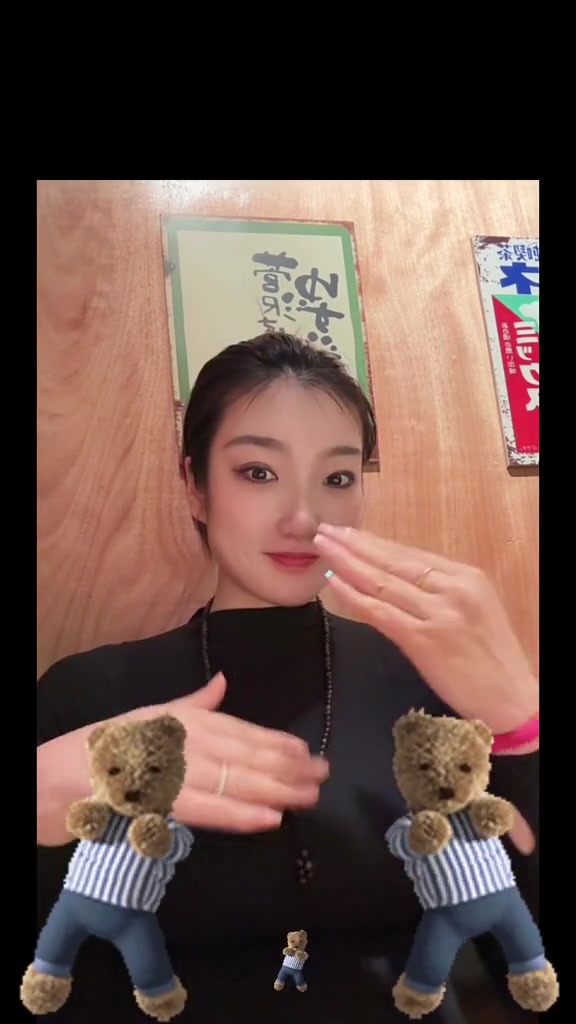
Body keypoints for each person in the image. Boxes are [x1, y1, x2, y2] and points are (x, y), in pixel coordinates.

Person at [36, 332, 540, 1023]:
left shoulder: (427, 679)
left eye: (337, 478)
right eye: (258, 472)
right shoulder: (85, 694)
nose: (304, 519)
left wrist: (521, 725)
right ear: (196, 486)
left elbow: (527, 967)